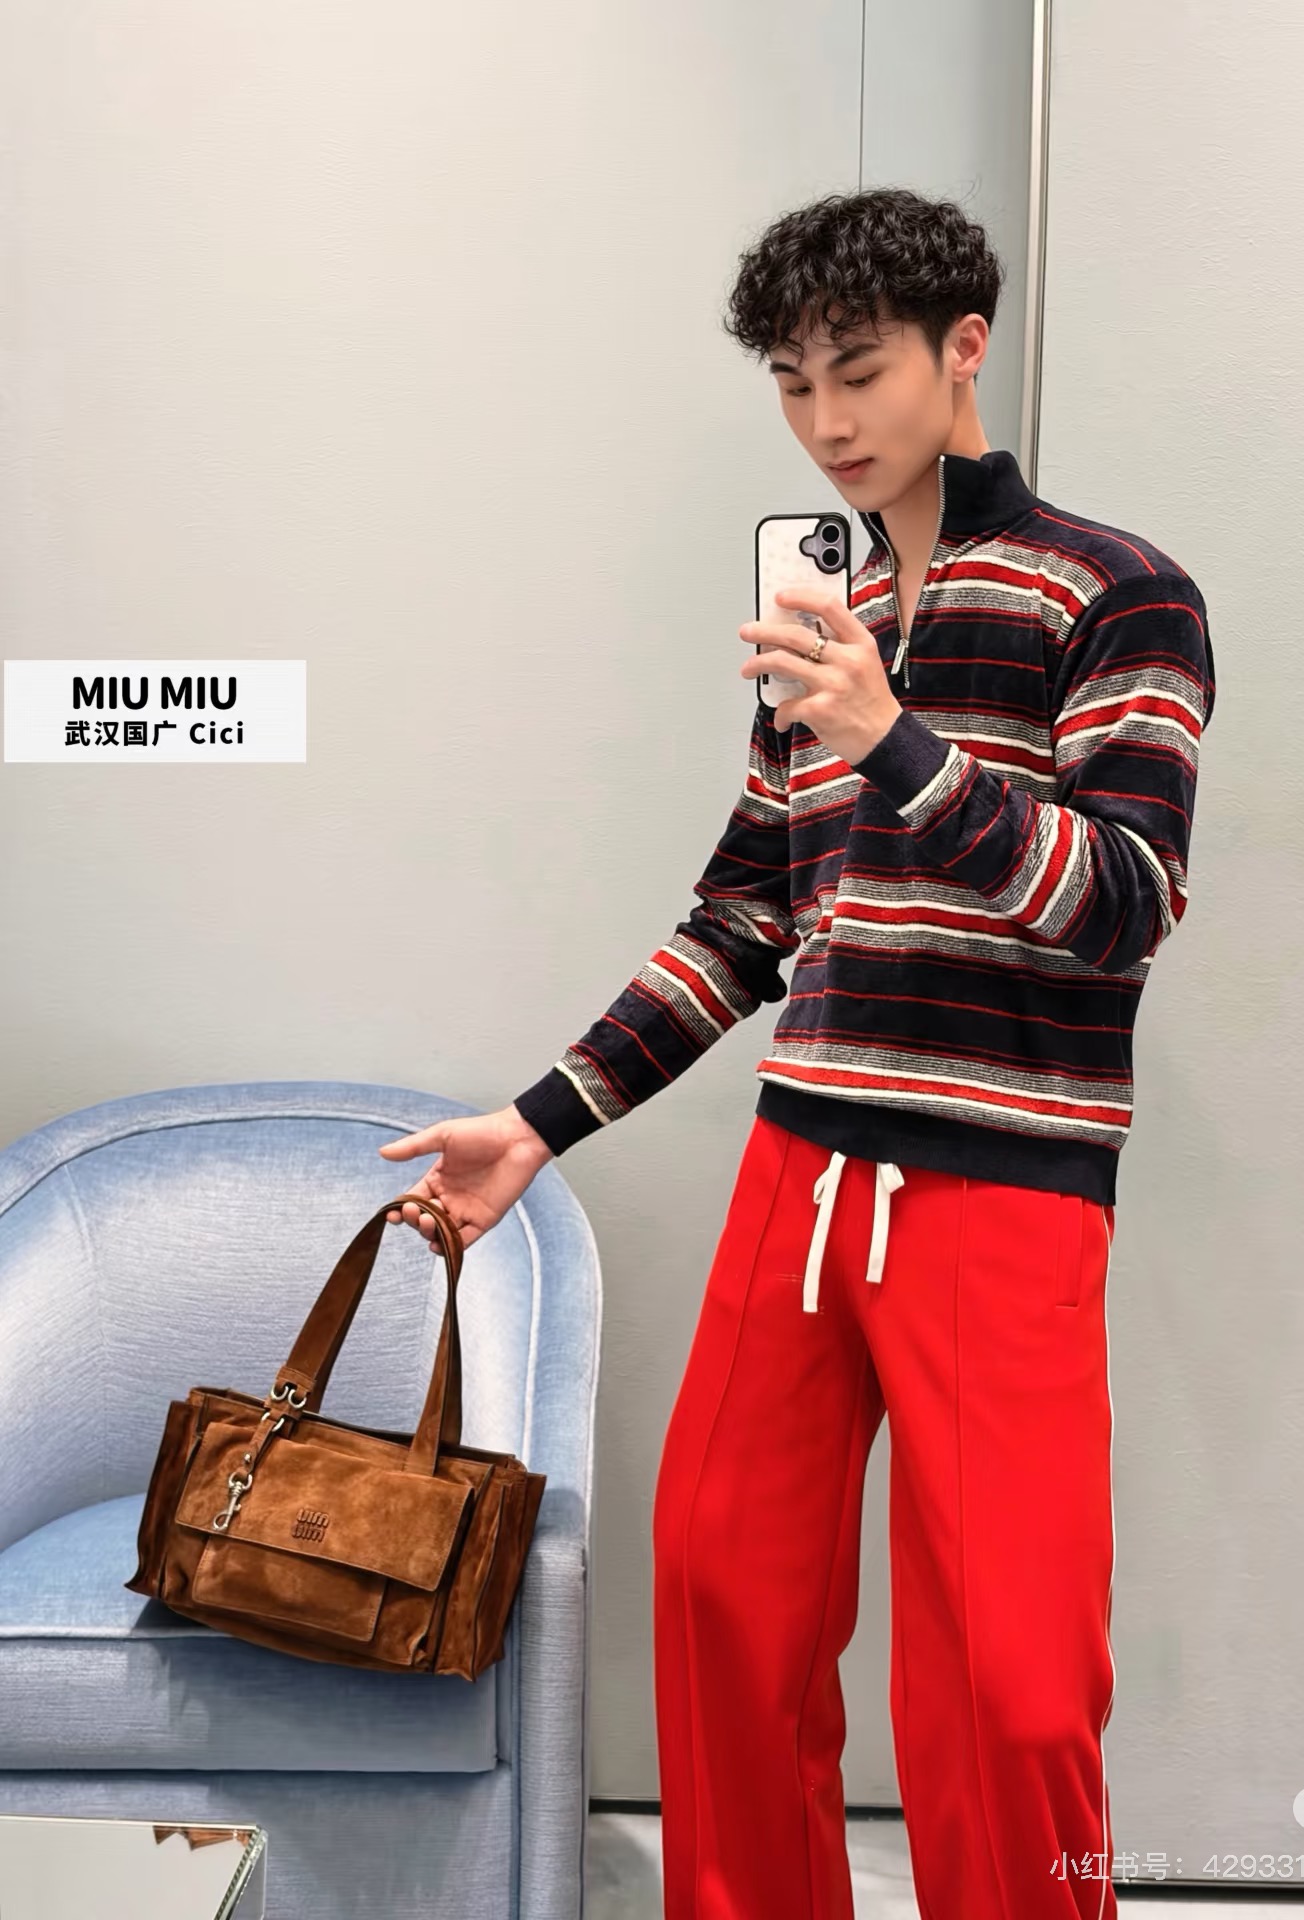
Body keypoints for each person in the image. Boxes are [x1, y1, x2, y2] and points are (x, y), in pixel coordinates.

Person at [378, 185, 1217, 1920]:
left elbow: (1123, 907)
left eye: (858, 371)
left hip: (1004, 1190)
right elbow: (747, 920)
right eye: (790, 384)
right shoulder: (821, 631)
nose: (826, 421)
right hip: (802, 1172)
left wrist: (895, 739)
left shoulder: (1118, 592)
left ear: (963, 348)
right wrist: (539, 1124)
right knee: (720, 1598)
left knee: (1011, 1684)